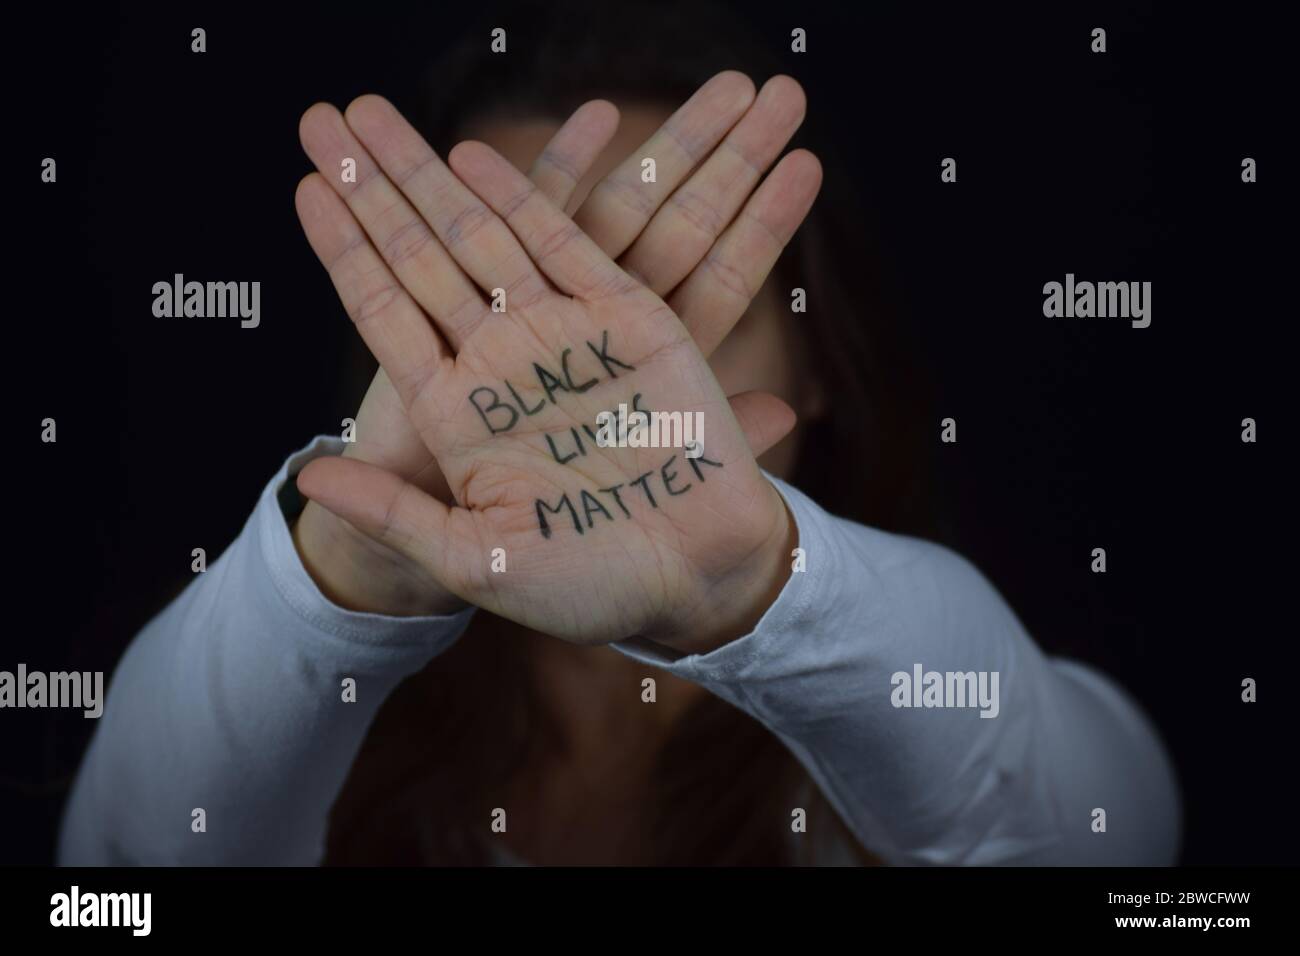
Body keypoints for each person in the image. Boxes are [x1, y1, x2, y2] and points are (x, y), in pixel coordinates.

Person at [57, 12, 1181, 868]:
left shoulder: (932, 698)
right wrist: (346, 570)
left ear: (818, 361)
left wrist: (763, 590)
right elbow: (121, 870)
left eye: (669, 303)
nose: (582, 388)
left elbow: (1102, 830)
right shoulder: (313, 717)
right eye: (486, 301)